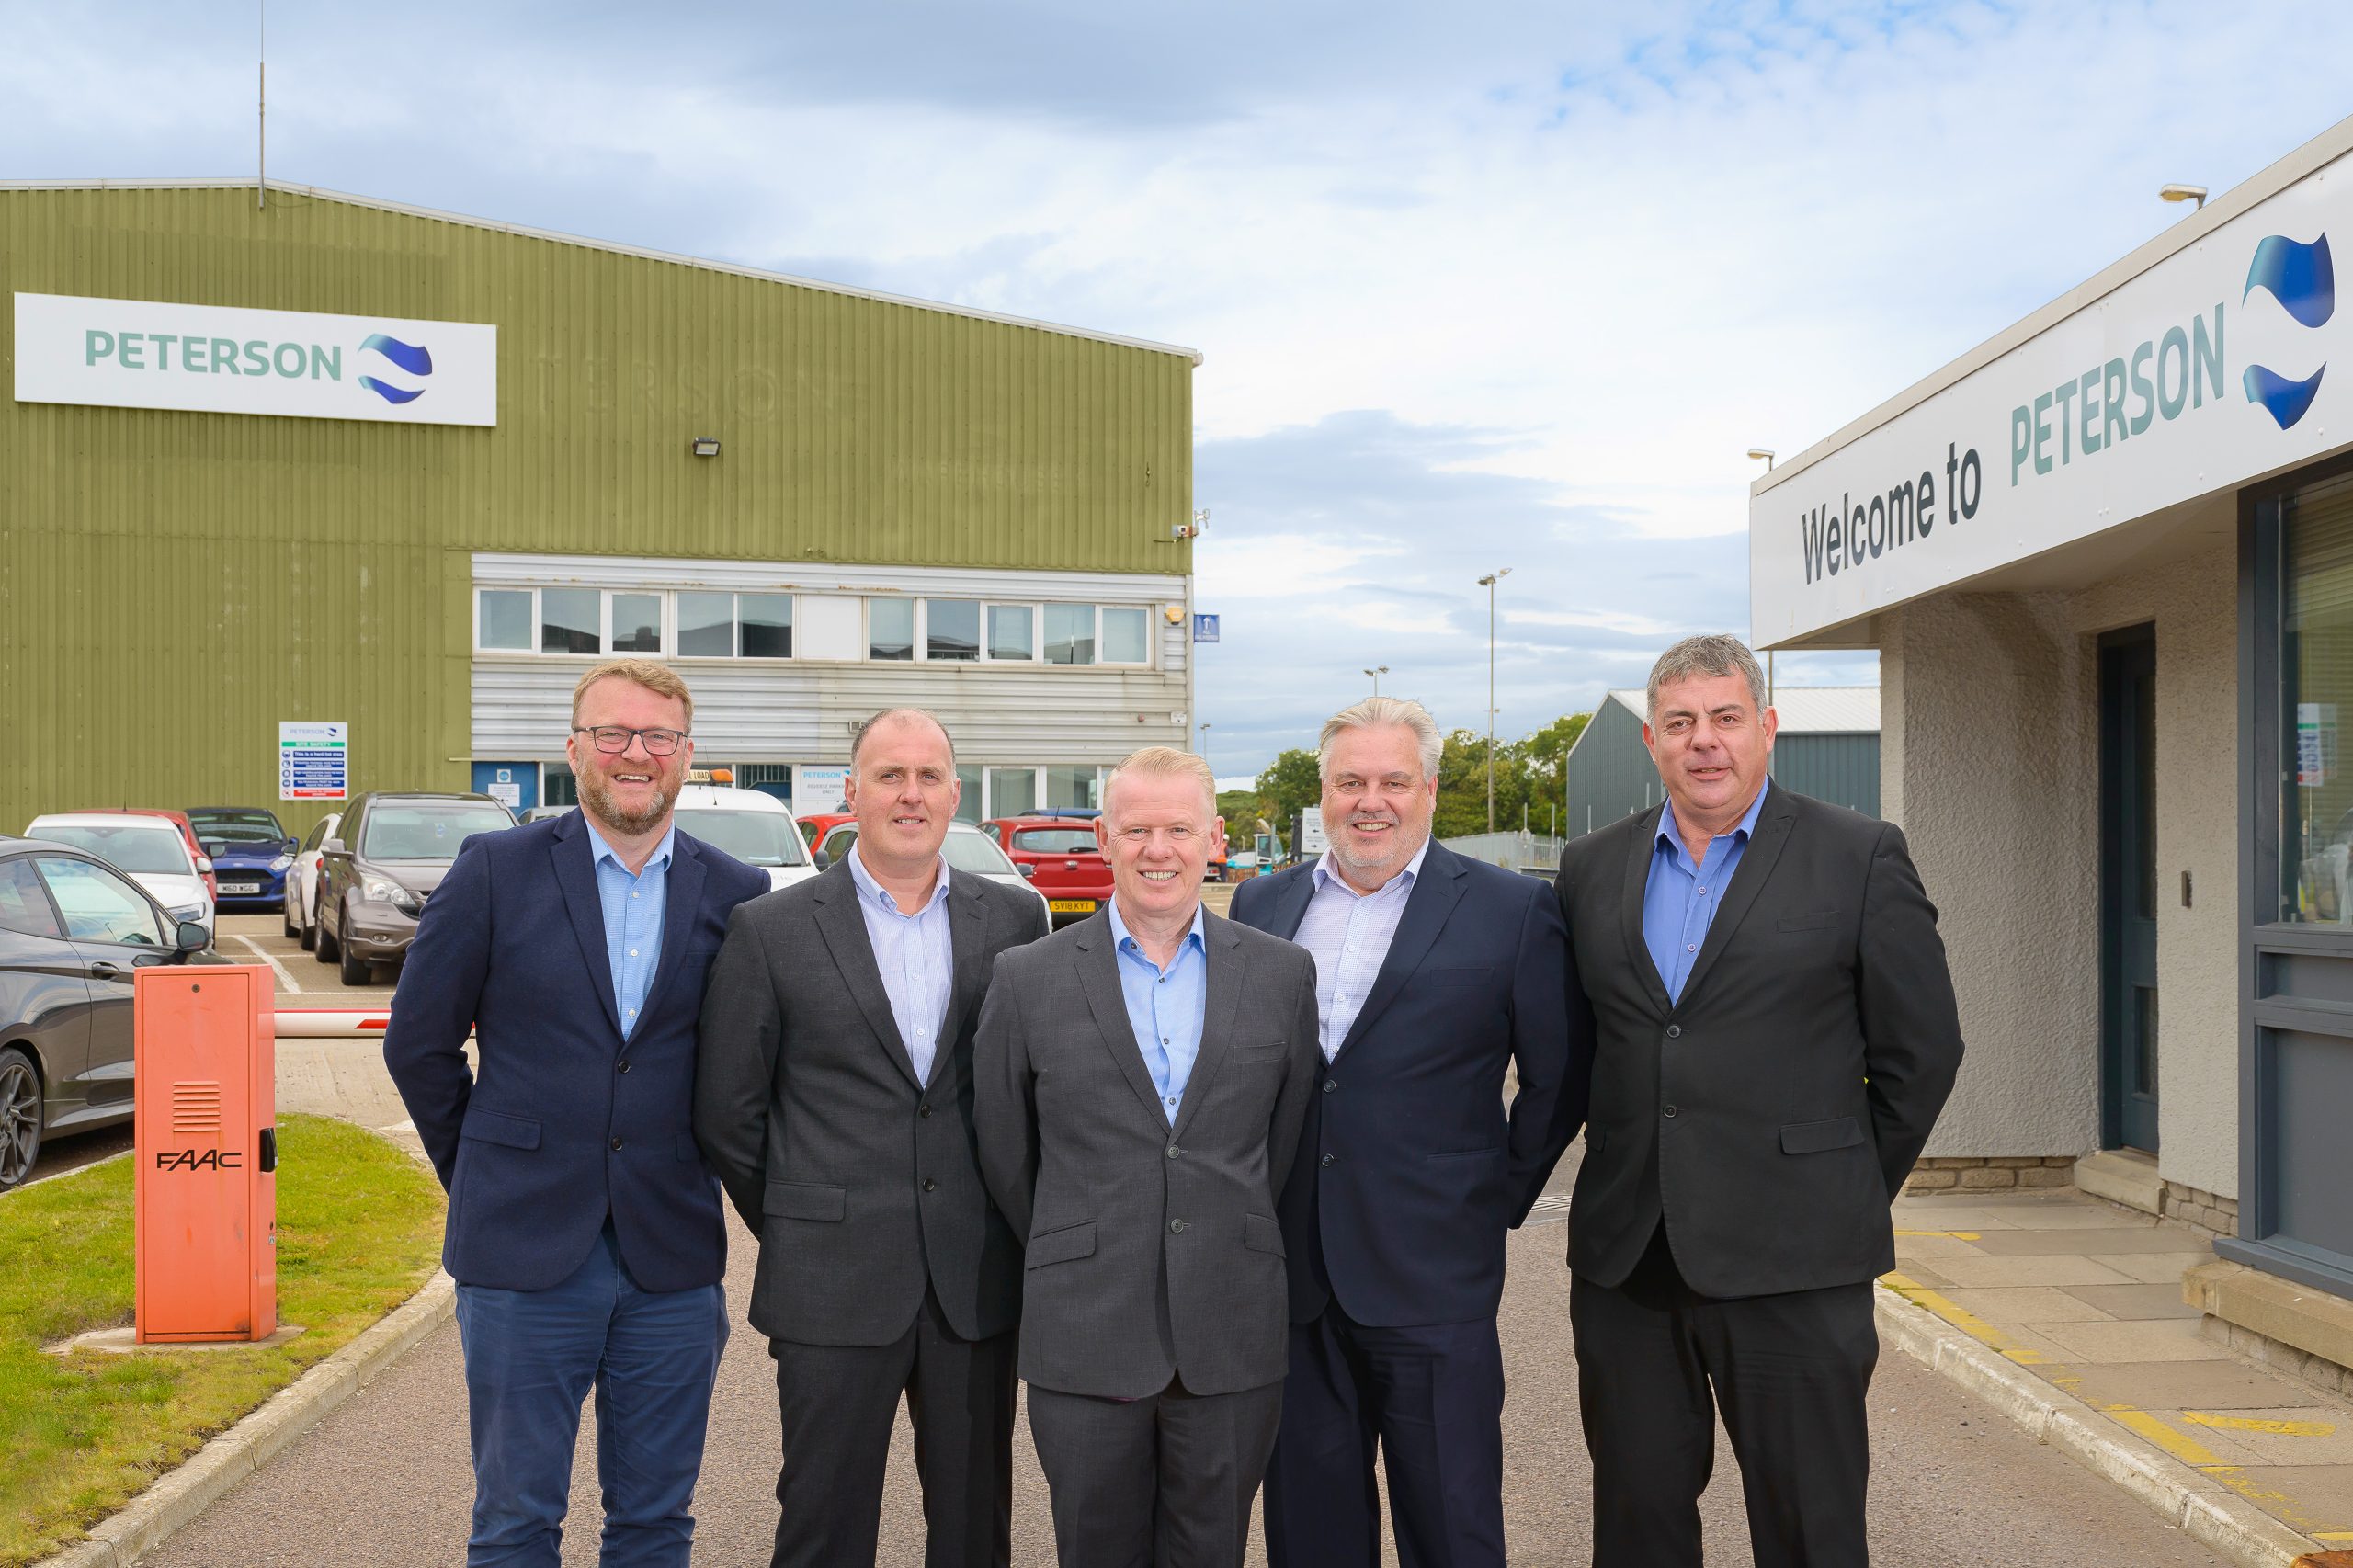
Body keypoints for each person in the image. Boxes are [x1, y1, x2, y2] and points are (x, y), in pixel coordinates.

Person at [1554, 633, 1965, 1568]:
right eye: (1681, 722)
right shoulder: (1590, 869)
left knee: (1810, 1525)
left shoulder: (1858, 856)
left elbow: (1922, 1052)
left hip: (1797, 1255)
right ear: (1653, 740)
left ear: (1766, 728)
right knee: (1636, 1520)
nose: (1705, 740)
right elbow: (1578, 1051)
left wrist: (1840, 1181)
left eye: (1725, 717)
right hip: (1630, 1261)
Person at [382, 659, 767, 1567]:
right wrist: (481, 1166)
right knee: (515, 1524)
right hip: (520, 1254)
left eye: (657, 736)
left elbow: (752, 1071)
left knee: (654, 1525)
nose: (635, 752)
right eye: (613, 733)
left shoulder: (737, 892)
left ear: (686, 755)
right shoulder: (493, 870)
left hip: (671, 1259)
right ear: (574, 749)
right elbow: (418, 1044)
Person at [1231, 696, 1582, 1568]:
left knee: (1451, 1523)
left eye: (1392, 780)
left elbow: (1559, 1075)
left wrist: (1489, 1197)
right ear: (1323, 791)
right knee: (1310, 1532)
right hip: (1295, 1275)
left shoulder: (1510, 909)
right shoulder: (1259, 902)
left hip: (1436, 1276)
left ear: (1429, 789)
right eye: (1350, 781)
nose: (1370, 800)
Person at [694, 709, 1048, 1568]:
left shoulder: (1014, 923)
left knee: (974, 1528)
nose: (911, 794)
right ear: (852, 794)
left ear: (955, 795)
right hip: (831, 1277)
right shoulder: (770, 928)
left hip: (974, 1277)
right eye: (890, 775)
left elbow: (1029, 1096)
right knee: (822, 1521)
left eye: (929, 776)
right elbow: (729, 1112)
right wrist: (805, 1217)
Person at [974, 745, 1322, 1568]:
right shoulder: (1028, 976)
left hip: (1229, 1328)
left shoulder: (1281, 975)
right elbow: (1005, 1149)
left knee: (1212, 1553)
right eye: (1136, 829)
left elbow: (1286, 1141)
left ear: (1215, 838)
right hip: (1086, 1327)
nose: (1156, 849)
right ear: (1104, 837)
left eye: (1177, 828)